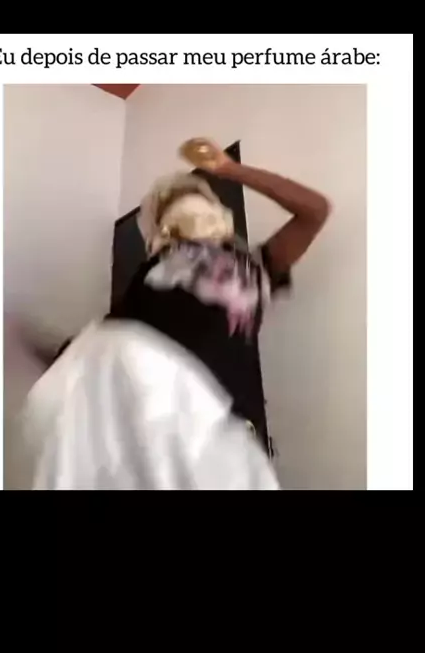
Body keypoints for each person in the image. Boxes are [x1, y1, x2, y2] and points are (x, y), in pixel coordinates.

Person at [17, 139, 330, 490]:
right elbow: (101, 359)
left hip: (227, 449)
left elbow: (315, 210)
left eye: (194, 201)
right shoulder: (151, 278)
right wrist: (29, 341)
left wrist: (230, 170)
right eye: (173, 207)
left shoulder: (255, 269)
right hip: (159, 450)